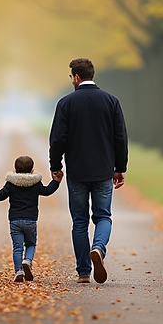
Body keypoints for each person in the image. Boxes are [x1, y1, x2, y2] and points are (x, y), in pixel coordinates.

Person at [49, 58, 128, 284]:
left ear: (76, 77)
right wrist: (119, 168)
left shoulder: (65, 103)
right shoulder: (111, 101)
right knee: (103, 216)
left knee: (80, 221)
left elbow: (57, 140)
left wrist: (56, 166)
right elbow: (120, 137)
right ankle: (98, 248)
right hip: (103, 170)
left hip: (77, 171)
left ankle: (83, 272)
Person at [0, 155, 62, 282]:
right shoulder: (35, 183)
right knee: (31, 243)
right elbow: (47, 191)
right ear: (32, 170)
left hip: (15, 220)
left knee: (17, 247)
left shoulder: (11, 184)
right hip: (31, 220)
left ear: (15, 170)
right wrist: (56, 181)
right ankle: (27, 260)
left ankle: (18, 271)